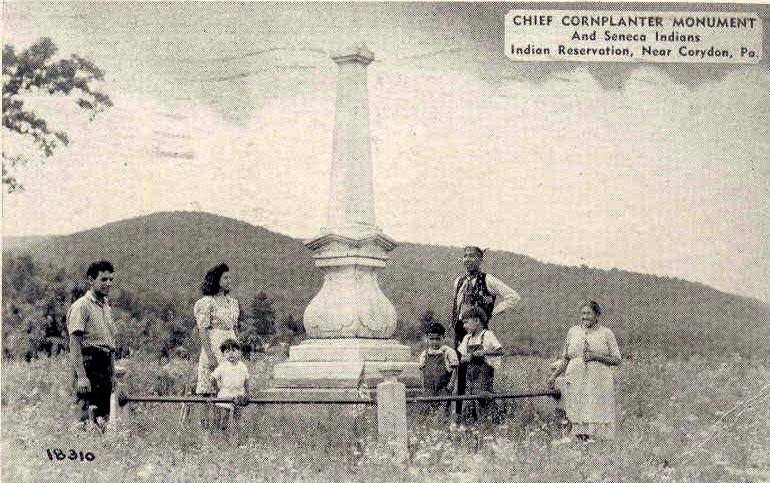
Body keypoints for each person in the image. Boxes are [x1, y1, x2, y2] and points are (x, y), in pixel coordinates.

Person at [451, 246, 520, 416]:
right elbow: (457, 308)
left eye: (472, 256)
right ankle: (461, 416)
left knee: (480, 374)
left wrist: (490, 313)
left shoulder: (488, 280)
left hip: (479, 334)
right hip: (461, 333)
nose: (468, 259)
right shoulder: (458, 281)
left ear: (480, 259)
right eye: (465, 256)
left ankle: (483, 415)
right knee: (460, 375)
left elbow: (513, 297)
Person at [547, 300, 621, 441]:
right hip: (576, 378)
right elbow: (566, 358)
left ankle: (599, 442)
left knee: (595, 409)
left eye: (588, 313)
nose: (585, 317)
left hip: (599, 381)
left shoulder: (606, 333)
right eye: (582, 313)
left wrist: (596, 357)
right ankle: (578, 440)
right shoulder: (573, 331)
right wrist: (554, 376)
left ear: (597, 315)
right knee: (576, 409)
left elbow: (617, 359)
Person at [66, 260, 117, 431]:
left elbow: (110, 344)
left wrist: (113, 374)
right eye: (103, 279)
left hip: (104, 367)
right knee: (85, 420)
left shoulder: (106, 306)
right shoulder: (81, 306)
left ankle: (99, 447)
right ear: (91, 280)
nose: (108, 283)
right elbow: (74, 343)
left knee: (102, 421)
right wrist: (81, 376)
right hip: (89, 365)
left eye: (110, 279)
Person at [194, 263, 240, 426]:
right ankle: (206, 432)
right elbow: (203, 331)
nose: (229, 281)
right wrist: (210, 356)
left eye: (229, 277)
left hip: (230, 349)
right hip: (213, 348)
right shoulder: (207, 302)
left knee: (229, 390)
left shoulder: (232, 302)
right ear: (217, 280)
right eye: (225, 278)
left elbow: (235, 329)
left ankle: (224, 430)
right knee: (208, 391)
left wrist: (238, 351)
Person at [457, 306, 504, 424]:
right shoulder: (467, 338)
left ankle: (487, 426)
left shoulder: (487, 335)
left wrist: (484, 353)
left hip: (484, 378)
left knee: (484, 402)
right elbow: (462, 358)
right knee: (469, 403)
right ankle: (469, 428)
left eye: (466, 322)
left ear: (477, 321)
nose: (464, 326)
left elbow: (500, 351)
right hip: (470, 378)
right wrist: (468, 358)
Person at [418, 322, 459, 415]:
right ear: (427, 339)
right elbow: (421, 371)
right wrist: (423, 387)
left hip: (443, 388)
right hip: (429, 388)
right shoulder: (424, 354)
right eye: (431, 339)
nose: (434, 342)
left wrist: (451, 383)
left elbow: (454, 368)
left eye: (437, 339)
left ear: (443, 337)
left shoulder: (448, 351)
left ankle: (443, 423)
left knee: (443, 411)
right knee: (428, 411)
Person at [210, 338, 250, 433]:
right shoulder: (222, 366)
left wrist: (247, 393)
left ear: (239, 352)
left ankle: (237, 437)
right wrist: (216, 390)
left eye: (233, 350)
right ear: (224, 354)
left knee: (238, 420)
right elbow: (213, 378)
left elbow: (246, 380)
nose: (231, 354)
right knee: (224, 418)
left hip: (238, 395)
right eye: (227, 351)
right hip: (225, 395)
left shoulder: (242, 366)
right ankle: (222, 437)